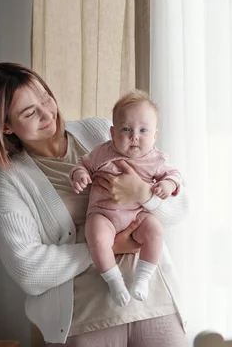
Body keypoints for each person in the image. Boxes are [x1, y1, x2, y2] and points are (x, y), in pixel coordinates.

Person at [0, 63, 188, 346]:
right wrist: (106, 247)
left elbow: (178, 209)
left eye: (46, 98)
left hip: (154, 303)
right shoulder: (9, 179)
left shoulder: (98, 132)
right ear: (5, 126)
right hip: (85, 321)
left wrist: (144, 193)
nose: (47, 113)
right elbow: (28, 270)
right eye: (29, 112)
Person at [69, 90, 181, 307]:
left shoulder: (156, 159)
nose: (134, 136)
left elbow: (174, 175)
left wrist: (168, 184)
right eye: (126, 129)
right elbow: (83, 164)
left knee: (155, 230)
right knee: (97, 237)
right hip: (105, 215)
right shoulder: (102, 153)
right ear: (112, 132)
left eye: (143, 130)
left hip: (137, 217)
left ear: (155, 135)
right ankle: (114, 281)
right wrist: (79, 175)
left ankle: (142, 278)